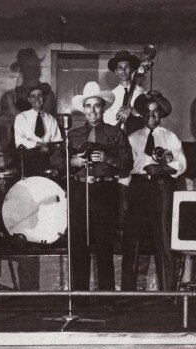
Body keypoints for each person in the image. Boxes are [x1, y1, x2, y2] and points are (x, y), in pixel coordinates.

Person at [50, 81, 133, 291]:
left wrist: (107, 158)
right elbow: (54, 161)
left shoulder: (116, 134)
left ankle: (106, 296)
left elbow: (127, 163)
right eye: (88, 106)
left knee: (105, 244)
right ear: (83, 109)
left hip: (105, 193)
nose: (92, 111)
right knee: (79, 244)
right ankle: (79, 295)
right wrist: (72, 162)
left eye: (97, 106)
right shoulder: (72, 135)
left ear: (103, 108)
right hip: (79, 192)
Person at [121, 91, 187, 291]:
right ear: (142, 114)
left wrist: (161, 168)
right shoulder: (132, 138)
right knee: (132, 239)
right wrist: (123, 196)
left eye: (156, 113)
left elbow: (181, 164)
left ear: (162, 114)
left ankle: (167, 291)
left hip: (161, 188)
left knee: (164, 237)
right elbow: (125, 169)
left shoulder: (170, 137)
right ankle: (127, 293)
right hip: (138, 188)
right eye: (148, 113)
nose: (152, 117)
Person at [13, 83, 63, 176]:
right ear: (29, 100)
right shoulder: (21, 117)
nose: (37, 99)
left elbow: (57, 142)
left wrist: (52, 150)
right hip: (27, 161)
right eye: (33, 96)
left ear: (44, 99)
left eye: (40, 96)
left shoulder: (51, 119)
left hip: (47, 160)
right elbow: (19, 141)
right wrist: (37, 144)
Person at [103, 50, 145, 134]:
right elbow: (105, 121)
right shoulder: (110, 95)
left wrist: (131, 109)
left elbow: (146, 113)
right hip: (116, 138)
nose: (123, 70)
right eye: (120, 68)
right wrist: (117, 115)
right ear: (116, 72)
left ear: (132, 70)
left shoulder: (142, 92)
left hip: (137, 137)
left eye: (127, 67)